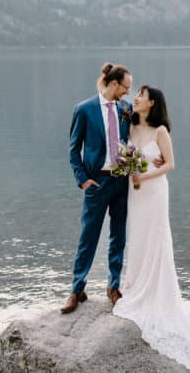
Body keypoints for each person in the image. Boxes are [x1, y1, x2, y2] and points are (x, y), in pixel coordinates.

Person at [112, 85, 190, 372]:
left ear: (152, 102)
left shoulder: (160, 132)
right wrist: (130, 169)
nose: (137, 97)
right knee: (138, 236)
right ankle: (135, 284)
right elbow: (124, 152)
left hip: (153, 189)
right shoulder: (130, 126)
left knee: (156, 237)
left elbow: (170, 164)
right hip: (137, 190)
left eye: (142, 94)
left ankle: (156, 291)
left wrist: (142, 174)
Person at [62, 62, 134, 314]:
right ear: (114, 84)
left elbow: (131, 141)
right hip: (97, 182)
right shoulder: (84, 109)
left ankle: (113, 287)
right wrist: (82, 179)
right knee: (88, 237)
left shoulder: (126, 109)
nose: (127, 92)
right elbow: (73, 149)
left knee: (119, 236)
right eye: (126, 87)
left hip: (121, 181)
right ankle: (77, 289)